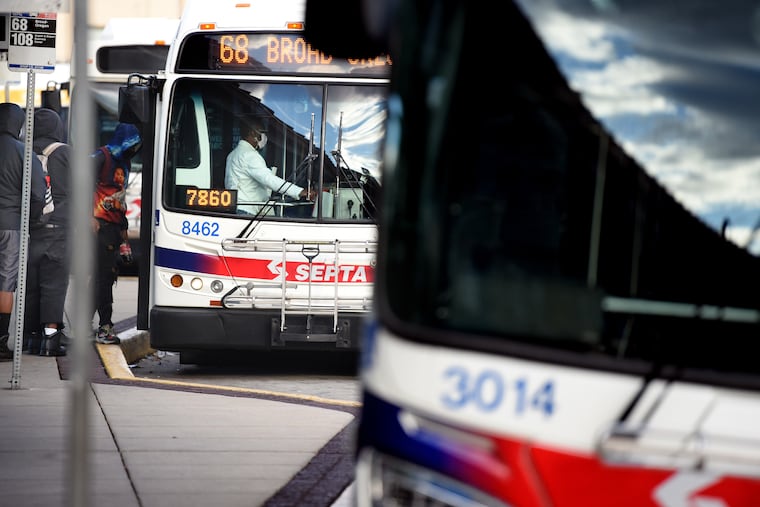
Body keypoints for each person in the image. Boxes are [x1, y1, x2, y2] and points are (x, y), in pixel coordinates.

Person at [0, 103, 48, 360]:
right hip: (11, 225)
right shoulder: (23, 152)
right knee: (6, 281)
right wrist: (31, 219)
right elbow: (38, 194)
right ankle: (0, 340)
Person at [23, 108, 72, 356]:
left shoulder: (23, 151)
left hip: (29, 230)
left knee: (30, 287)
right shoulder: (64, 153)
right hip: (60, 229)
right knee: (54, 284)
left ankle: (29, 338)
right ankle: (51, 338)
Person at [91, 123, 141, 345]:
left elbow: (120, 202)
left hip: (114, 227)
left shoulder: (125, 163)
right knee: (104, 277)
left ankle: (87, 325)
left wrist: (125, 239)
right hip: (98, 226)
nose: (133, 150)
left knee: (105, 278)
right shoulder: (101, 157)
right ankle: (104, 327)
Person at [225, 119, 315, 215]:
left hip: (235, 207)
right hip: (247, 210)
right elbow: (269, 180)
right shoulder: (250, 155)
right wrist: (299, 191)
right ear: (252, 133)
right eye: (262, 132)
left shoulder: (233, 154)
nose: (265, 137)